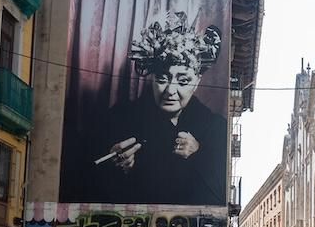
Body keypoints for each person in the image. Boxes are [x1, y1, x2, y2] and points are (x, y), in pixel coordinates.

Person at [90, 11, 226, 205]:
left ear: (197, 82)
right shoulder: (119, 119)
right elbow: (89, 183)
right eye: (162, 78)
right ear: (151, 77)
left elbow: (218, 196)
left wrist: (198, 155)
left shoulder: (215, 128)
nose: (170, 90)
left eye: (183, 80)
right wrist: (114, 168)